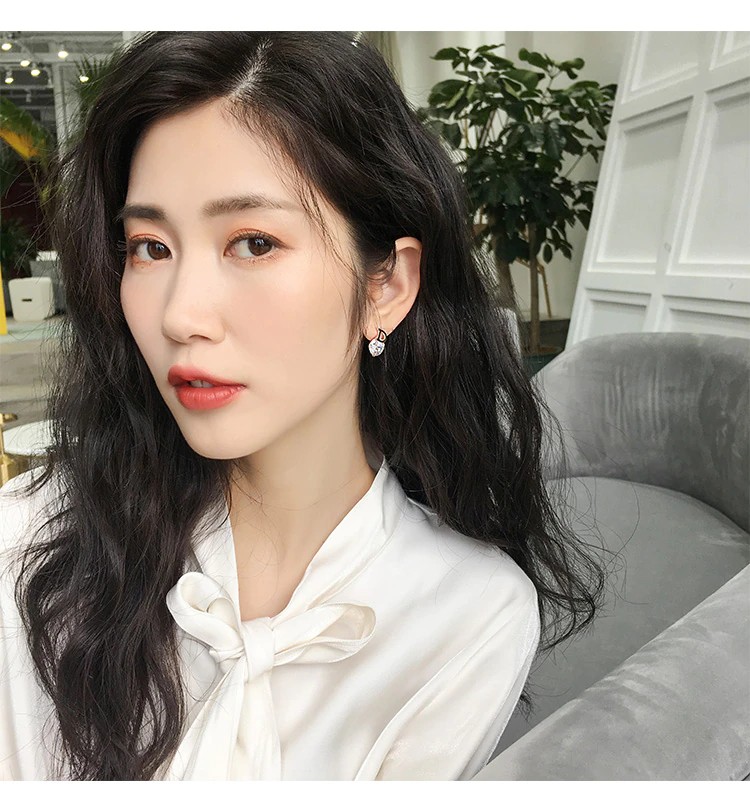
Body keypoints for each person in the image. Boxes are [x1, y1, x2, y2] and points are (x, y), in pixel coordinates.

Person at [0, 31, 607, 780]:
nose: (181, 315)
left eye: (253, 243)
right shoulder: (25, 546)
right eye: (150, 247)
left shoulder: (469, 613)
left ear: (385, 285)